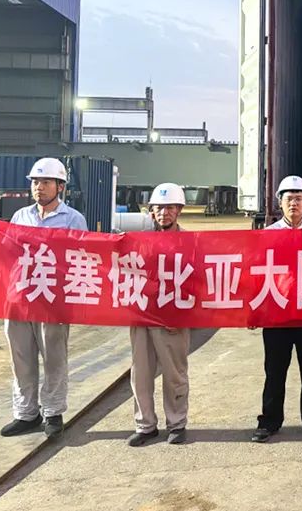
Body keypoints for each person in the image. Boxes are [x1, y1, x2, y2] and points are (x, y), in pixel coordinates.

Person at [0, 158, 87, 439]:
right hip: (20, 299)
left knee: (54, 358)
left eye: (46, 182)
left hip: (52, 300)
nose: (39, 187)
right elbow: (7, 251)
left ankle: (53, 412)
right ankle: (26, 414)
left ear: (60, 187)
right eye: (36, 182)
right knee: (21, 359)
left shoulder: (73, 219)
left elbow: (82, 257)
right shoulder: (20, 216)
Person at [252, 176, 302, 443]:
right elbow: (258, 271)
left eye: (299, 198)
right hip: (277, 315)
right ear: (280, 203)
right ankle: (269, 421)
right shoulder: (269, 233)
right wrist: (255, 311)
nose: (294, 203)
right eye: (288, 199)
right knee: (274, 373)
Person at [127, 183, 192, 446]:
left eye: (170, 208)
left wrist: (182, 317)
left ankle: (176, 423)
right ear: (151, 211)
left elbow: (195, 283)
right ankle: (145, 425)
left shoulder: (190, 243)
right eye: (159, 208)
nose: (164, 213)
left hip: (172, 318)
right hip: (142, 315)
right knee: (140, 373)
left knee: (174, 373)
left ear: (179, 210)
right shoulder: (138, 241)